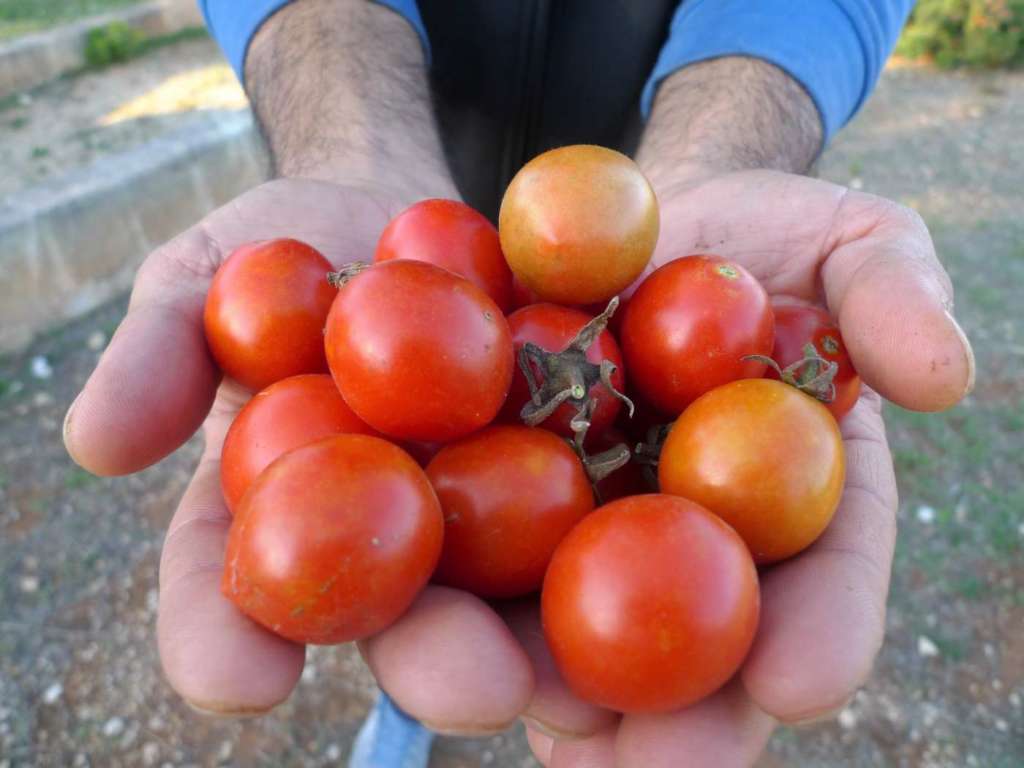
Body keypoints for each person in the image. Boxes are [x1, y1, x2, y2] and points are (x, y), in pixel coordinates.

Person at [62, 0, 976, 765]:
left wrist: (730, 147)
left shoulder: (597, 384)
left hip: (644, 199)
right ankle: (405, 708)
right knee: (437, 603)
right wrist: (347, 135)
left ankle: (418, 698)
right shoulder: (446, 369)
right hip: (414, 159)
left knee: (450, 589)